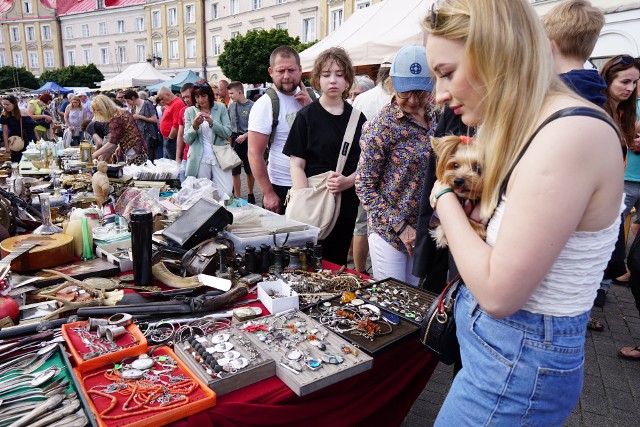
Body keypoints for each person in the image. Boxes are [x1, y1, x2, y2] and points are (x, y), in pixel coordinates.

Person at [424, 0, 623, 424]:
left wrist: (443, 198)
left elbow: (498, 292)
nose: (439, 94)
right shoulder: (541, 125)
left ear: (497, 50)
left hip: (516, 363)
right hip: (507, 358)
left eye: (446, 73)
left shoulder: (568, 132)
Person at [543, 0, 619, 330]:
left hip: (546, 287)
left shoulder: (558, 105)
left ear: (549, 44)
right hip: (573, 290)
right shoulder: (600, 101)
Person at [355, 45, 437, 285]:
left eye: (421, 93)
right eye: (405, 93)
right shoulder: (381, 126)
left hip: (421, 226)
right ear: (392, 85)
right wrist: (400, 226)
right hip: (389, 231)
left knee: (413, 300)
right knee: (392, 300)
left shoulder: (435, 117)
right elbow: (364, 186)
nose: (413, 100)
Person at [283, 47, 367, 266]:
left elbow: (367, 164)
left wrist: (347, 182)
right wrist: (306, 199)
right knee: (306, 265)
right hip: (313, 205)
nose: (333, 80)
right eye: (327, 74)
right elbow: (296, 164)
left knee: (336, 263)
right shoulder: (306, 117)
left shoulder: (358, 119)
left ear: (348, 81)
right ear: (317, 79)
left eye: (339, 75)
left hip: (345, 205)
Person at [248, 45, 314, 213]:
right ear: (271, 71)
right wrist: (268, 193)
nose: (286, 76)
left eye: (291, 70)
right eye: (280, 71)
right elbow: (254, 153)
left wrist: (311, 108)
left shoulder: (313, 98)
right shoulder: (265, 104)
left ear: (300, 70)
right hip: (281, 186)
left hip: (313, 186)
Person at [351, 60, 395, 274]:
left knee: (361, 223)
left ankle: (360, 270)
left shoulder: (361, 99)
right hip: (391, 174)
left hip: (365, 166)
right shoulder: (396, 97)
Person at [183, 82, 233, 196]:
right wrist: (194, 126)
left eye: (203, 96)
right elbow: (187, 139)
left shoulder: (220, 107)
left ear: (209, 95)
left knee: (226, 191)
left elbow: (228, 131)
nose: (200, 100)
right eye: (197, 96)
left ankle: (224, 212)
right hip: (200, 157)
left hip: (220, 155)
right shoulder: (190, 111)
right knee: (203, 193)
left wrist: (212, 123)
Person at [91, 94, 147, 165]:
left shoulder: (116, 118)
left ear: (105, 107)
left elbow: (111, 143)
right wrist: (119, 146)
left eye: (99, 110)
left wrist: (94, 154)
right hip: (138, 149)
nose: (98, 113)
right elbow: (126, 132)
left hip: (134, 152)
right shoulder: (122, 112)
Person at [227, 81, 256, 203]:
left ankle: (250, 193)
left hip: (249, 140)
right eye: (229, 94)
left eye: (232, 93)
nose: (230, 96)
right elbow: (229, 125)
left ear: (240, 92)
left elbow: (256, 127)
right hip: (235, 141)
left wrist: (245, 135)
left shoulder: (252, 106)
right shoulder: (231, 106)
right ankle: (237, 197)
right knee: (235, 171)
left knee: (250, 170)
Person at [123, 89, 160, 159]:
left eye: (128, 101)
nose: (128, 103)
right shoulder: (134, 107)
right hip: (140, 138)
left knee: (150, 159)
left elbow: (155, 119)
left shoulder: (147, 104)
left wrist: (140, 116)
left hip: (149, 137)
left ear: (133, 98)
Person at [1, 95, 36, 162]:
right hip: (15, 141)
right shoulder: (4, 115)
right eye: (4, 104)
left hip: (28, 140)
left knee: (31, 161)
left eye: (7, 104)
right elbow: (4, 132)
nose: (5, 106)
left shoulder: (23, 113)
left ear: (14, 104)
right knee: (17, 161)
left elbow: (33, 127)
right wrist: (7, 146)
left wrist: (37, 139)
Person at [156, 87, 184, 160]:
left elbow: (176, 124)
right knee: (167, 163)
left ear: (168, 94)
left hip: (172, 139)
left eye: (162, 98)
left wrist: (170, 138)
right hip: (168, 138)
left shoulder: (177, 103)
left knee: (172, 163)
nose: (162, 101)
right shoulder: (170, 103)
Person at [176, 82, 195, 182]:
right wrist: (178, 157)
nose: (186, 100)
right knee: (183, 180)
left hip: (199, 155)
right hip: (186, 154)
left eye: (188, 96)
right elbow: (180, 134)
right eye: (184, 97)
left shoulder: (203, 109)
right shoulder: (183, 111)